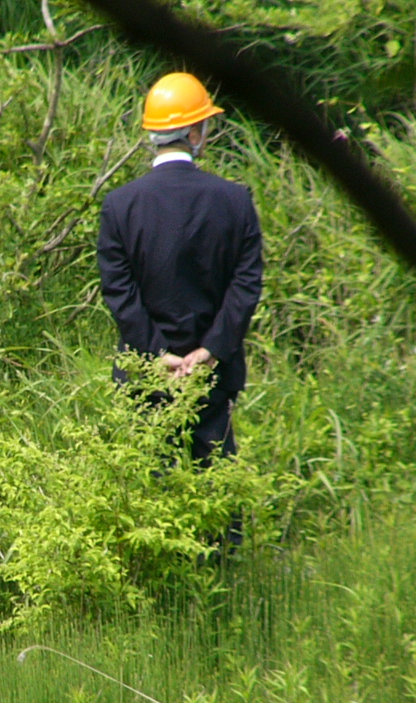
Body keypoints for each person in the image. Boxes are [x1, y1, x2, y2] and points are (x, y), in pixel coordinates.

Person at [97, 72, 263, 544]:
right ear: (194, 133)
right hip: (214, 373)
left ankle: (159, 578)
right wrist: (209, 351)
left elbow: (119, 293)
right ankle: (223, 574)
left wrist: (158, 354)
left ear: (153, 134)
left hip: (145, 375)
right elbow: (246, 285)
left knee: (148, 496)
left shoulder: (119, 205)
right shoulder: (235, 200)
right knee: (217, 490)